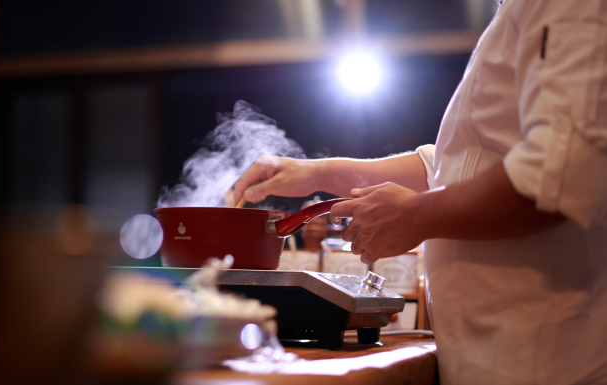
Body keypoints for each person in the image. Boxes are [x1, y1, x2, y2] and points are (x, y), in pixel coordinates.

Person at [232, 0, 607, 384]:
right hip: (498, 355)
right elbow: (451, 166)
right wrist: (315, 172)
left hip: (548, 361)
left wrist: (415, 216)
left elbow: (566, 169)